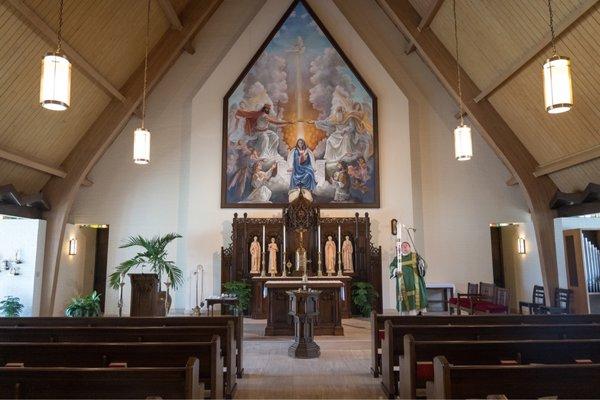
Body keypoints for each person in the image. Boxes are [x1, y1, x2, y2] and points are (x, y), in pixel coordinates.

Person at [389, 241, 428, 314]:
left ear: (410, 247)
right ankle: (405, 317)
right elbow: (391, 266)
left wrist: (421, 264)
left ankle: (418, 314)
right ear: (400, 248)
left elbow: (424, 266)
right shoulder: (397, 258)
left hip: (416, 284)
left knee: (416, 300)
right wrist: (395, 270)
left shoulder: (415, 256)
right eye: (403, 246)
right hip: (403, 284)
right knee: (404, 302)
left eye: (406, 245)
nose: (405, 247)